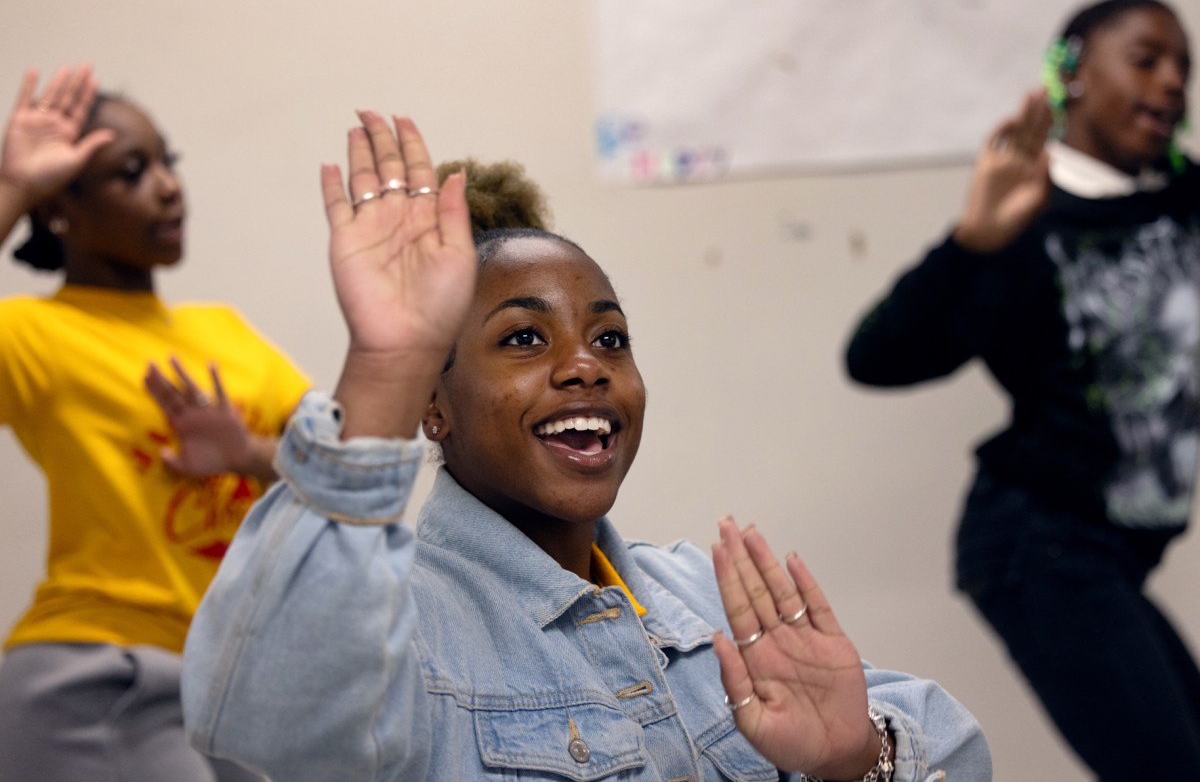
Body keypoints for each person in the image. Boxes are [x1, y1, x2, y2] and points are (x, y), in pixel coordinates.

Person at [182, 109, 991, 781]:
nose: (584, 367)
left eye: (610, 339)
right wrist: (384, 368)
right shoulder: (405, 626)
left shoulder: (708, 604)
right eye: (526, 338)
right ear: (434, 404)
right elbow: (267, 718)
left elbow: (956, 746)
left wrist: (860, 760)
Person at [843, 0, 1200, 776]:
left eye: (1185, 68)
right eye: (1147, 60)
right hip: (1038, 548)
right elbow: (877, 357)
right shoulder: (1026, 219)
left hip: (1118, 554)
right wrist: (972, 243)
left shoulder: (1181, 202)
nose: (1174, 81)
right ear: (1068, 74)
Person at [0, 65, 311, 781]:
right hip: (100, 675)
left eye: (168, 161)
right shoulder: (37, 334)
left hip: (230, 684)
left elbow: (357, 466)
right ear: (61, 213)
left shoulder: (225, 333)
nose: (168, 186)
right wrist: (14, 188)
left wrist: (252, 451)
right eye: (130, 172)